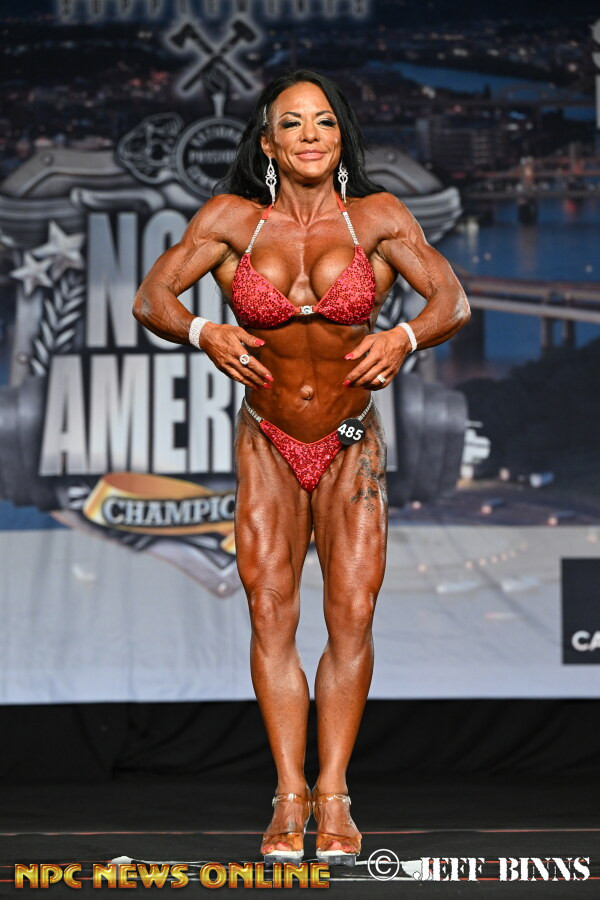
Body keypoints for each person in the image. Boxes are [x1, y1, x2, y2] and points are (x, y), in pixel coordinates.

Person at [133, 69, 470, 867]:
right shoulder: (231, 220)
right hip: (267, 439)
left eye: (324, 121)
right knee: (270, 613)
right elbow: (153, 299)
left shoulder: (378, 218)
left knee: (351, 615)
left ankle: (335, 793)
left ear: (341, 138)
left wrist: (404, 338)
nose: (310, 134)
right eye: (292, 123)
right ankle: (289, 795)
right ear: (268, 142)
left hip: (351, 439)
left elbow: (450, 302)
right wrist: (205, 333)